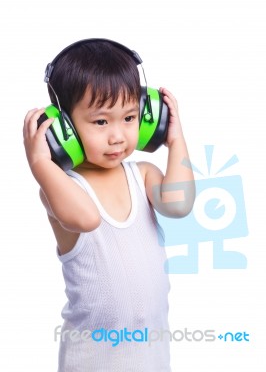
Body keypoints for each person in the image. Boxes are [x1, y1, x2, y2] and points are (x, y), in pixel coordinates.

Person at [23, 39, 195, 372]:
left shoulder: (143, 175)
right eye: (101, 122)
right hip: (91, 361)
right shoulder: (62, 189)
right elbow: (86, 219)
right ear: (64, 129)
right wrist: (41, 163)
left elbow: (179, 204)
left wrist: (175, 140)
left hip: (152, 358)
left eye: (130, 117)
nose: (118, 136)